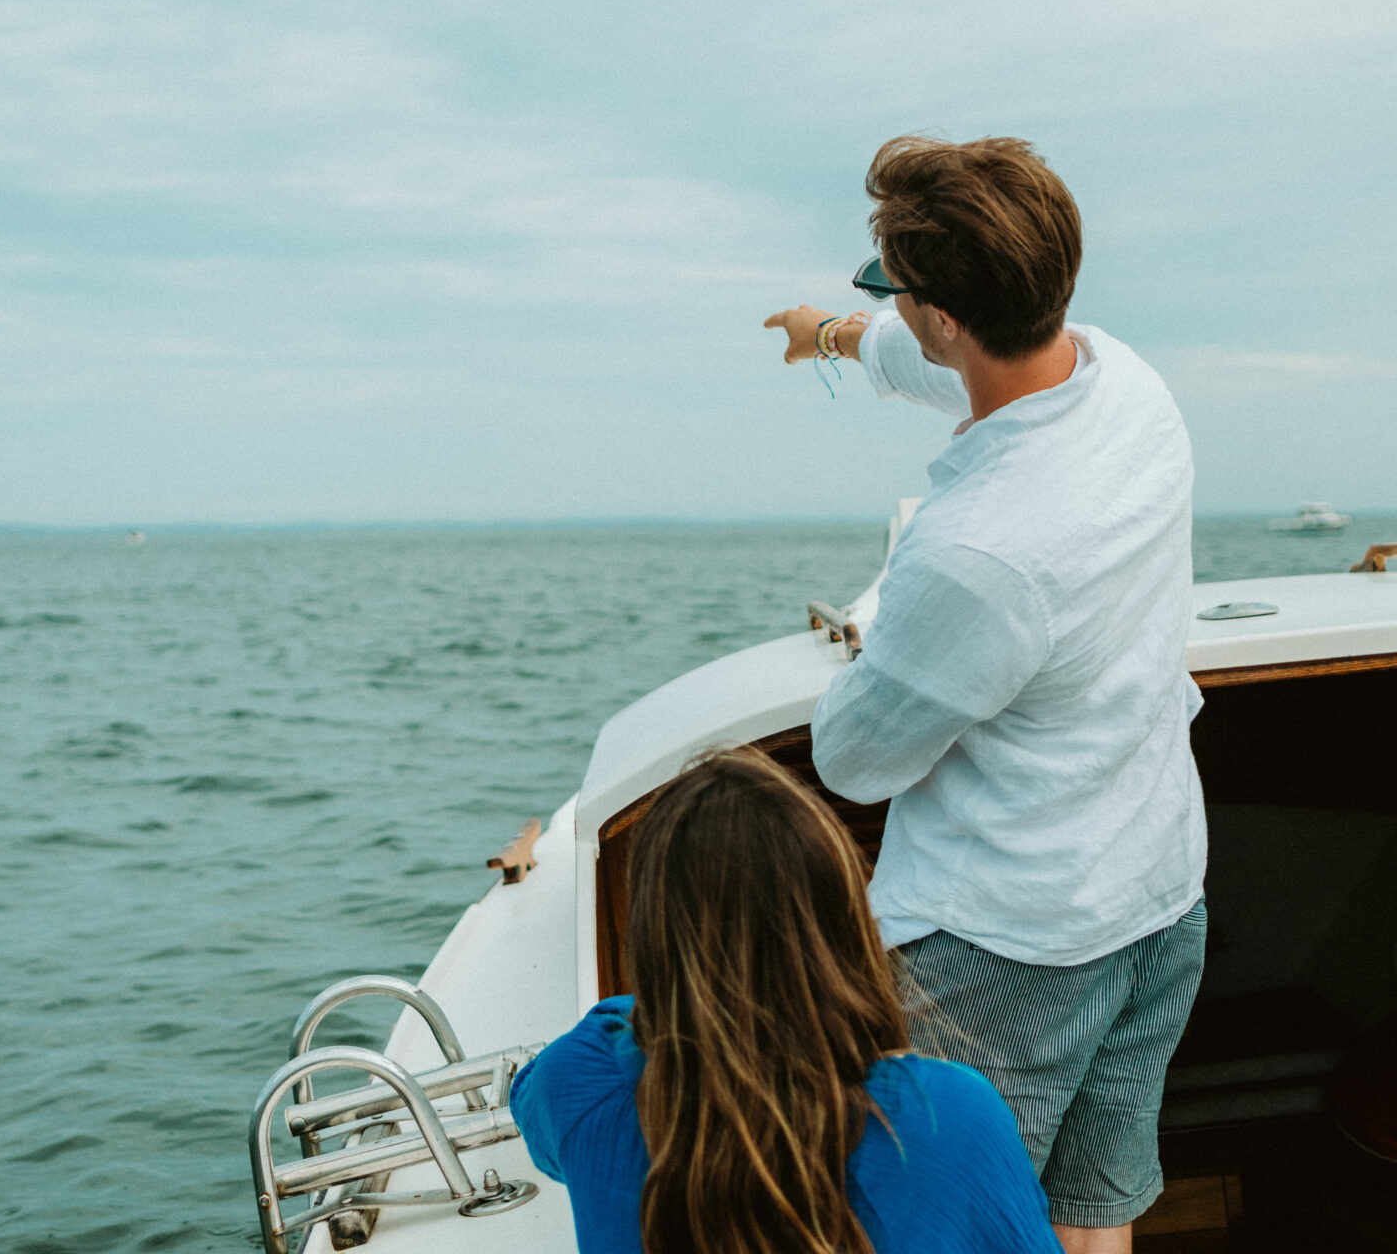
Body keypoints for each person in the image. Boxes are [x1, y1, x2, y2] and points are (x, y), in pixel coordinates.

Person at [764, 137, 1208, 1254]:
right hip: (1159, 900)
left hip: (1009, 949)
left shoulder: (977, 555)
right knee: (1093, 1216)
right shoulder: (1127, 381)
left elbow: (854, 760)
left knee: (935, 1229)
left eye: (895, 290)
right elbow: (949, 364)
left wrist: (886, 638)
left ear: (948, 314)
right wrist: (833, 333)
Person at [510, 747, 1062, 1254]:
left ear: (654, 942)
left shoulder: (580, 1081)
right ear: (844, 926)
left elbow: (534, 1103)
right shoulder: (948, 1115)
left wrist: (663, 1010)